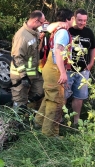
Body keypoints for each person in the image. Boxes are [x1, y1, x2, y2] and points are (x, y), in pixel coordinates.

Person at [34, 9, 75, 137]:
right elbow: (58, 52)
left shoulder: (58, 29)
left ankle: (39, 122)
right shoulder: (63, 32)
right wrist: (63, 73)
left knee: (49, 97)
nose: (74, 20)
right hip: (54, 68)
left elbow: (47, 27)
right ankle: (49, 134)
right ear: (69, 19)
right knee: (56, 101)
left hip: (51, 67)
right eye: (73, 18)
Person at [10, 10, 46, 112]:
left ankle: (28, 110)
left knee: (40, 90)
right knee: (19, 100)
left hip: (32, 71)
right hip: (20, 74)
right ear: (35, 20)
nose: (42, 25)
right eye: (41, 23)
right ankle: (16, 123)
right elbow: (17, 57)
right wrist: (23, 76)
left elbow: (34, 51)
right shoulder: (22, 36)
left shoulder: (34, 33)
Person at [66, 9, 95, 126]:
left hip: (83, 71)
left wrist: (91, 64)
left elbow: (94, 47)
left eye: (84, 21)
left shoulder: (88, 32)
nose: (82, 23)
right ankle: (59, 120)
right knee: (63, 96)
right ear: (74, 18)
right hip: (68, 70)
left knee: (79, 97)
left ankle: (76, 122)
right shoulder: (68, 30)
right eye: (80, 20)